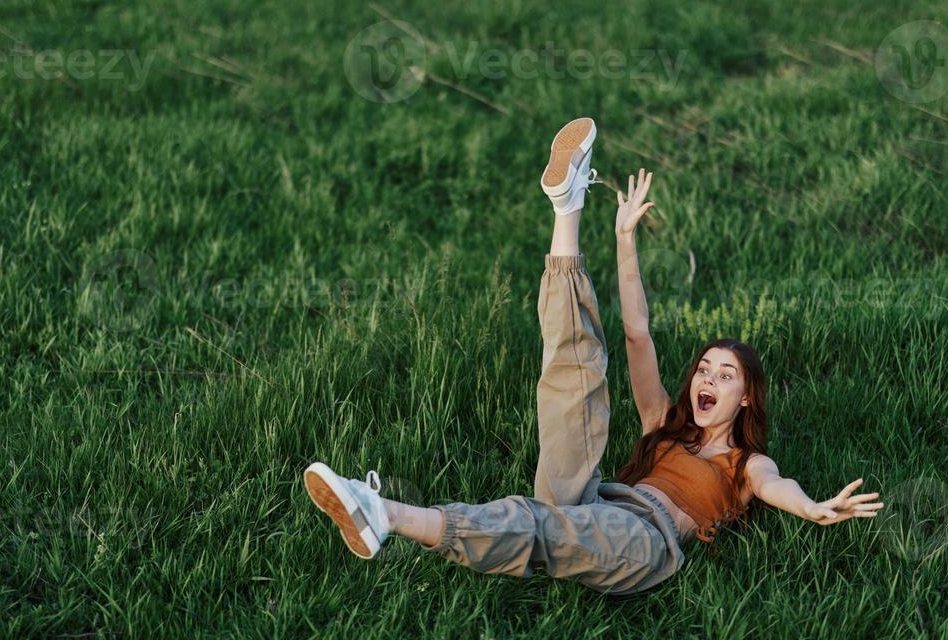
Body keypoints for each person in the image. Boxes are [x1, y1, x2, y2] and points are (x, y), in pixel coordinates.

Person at [302, 117, 883, 597]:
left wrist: (812, 508)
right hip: (596, 498)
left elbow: (780, 487)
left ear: (746, 396)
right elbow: (637, 334)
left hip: (644, 543)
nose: (707, 379)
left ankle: (385, 513)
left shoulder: (744, 466)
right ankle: (567, 204)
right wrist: (625, 239)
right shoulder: (665, 426)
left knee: (538, 524)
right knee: (571, 379)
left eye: (725, 375)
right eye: (704, 368)